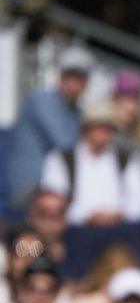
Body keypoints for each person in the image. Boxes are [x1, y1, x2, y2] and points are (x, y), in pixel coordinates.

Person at [6, 47, 93, 209]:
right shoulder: (39, 99)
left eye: (79, 77)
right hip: (28, 187)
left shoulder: (78, 112)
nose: (72, 82)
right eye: (68, 75)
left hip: (56, 186)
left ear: (86, 82)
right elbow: (67, 144)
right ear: (60, 76)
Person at [39, 104, 140, 227]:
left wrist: (120, 214)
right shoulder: (61, 159)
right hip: (74, 229)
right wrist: (85, 216)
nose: (100, 133)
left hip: (120, 228)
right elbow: (53, 200)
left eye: (106, 128)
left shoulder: (127, 159)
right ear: (84, 129)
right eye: (95, 127)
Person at [110, 70, 140, 145]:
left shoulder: (139, 137)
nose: (131, 107)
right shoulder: (99, 130)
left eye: (137, 101)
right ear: (115, 100)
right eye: (128, 99)